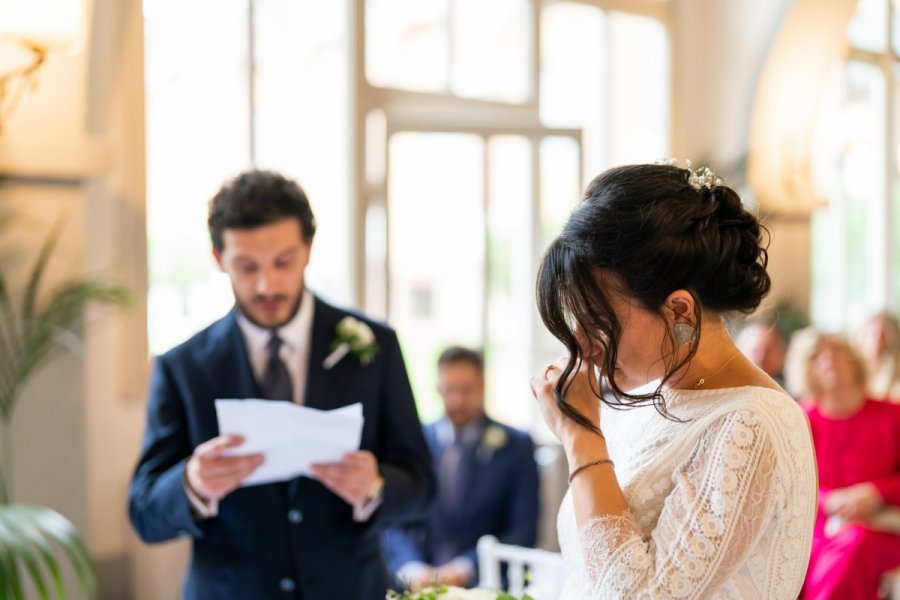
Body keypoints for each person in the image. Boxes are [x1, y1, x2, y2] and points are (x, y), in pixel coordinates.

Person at [128, 170, 434, 600]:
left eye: (283, 261)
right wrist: (192, 483)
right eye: (247, 266)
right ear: (218, 258)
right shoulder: (182, 367)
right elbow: (143, 511)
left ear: (308, 249)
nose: (267, 284)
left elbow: (424, 484)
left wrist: (376, 486)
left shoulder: (376, 345)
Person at [529, 163, 817, 598]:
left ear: (680, 311)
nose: (584, 348)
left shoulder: (751, 424)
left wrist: (580, 436)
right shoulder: (648, 395)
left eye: (598, 323)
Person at [382, 346, 540, 590]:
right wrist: (411, 567)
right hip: (415, 586)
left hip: (486, 586)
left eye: (466, 390)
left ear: (482, 386)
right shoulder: (415, 440)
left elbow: (523, 530)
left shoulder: (516, 446)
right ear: (438, 388)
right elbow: (394, 520)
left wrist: (466, 568)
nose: (457, 400)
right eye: (449, 390)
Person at [796, 332, 900, 599]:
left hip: (881, 527)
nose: (830, 360)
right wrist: (828, 500)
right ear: (808, 369)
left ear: (855, 362)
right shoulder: (802, 420)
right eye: (819, 356)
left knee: (854, 546)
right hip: (818, 530)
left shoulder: (892, 415)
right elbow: (791, 483)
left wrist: (875, 492)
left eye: (838, 353)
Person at [736, 318, 789, 389]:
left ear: (781, 353)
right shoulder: (730, 392)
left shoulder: (791, 392)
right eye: (755, 351)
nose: (761, 358)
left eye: (768, 351)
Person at [858, 311, 900, 401]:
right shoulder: (854, 364)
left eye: (883, 334)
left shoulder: (895, 367)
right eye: (874, 333)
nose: (878, 338)